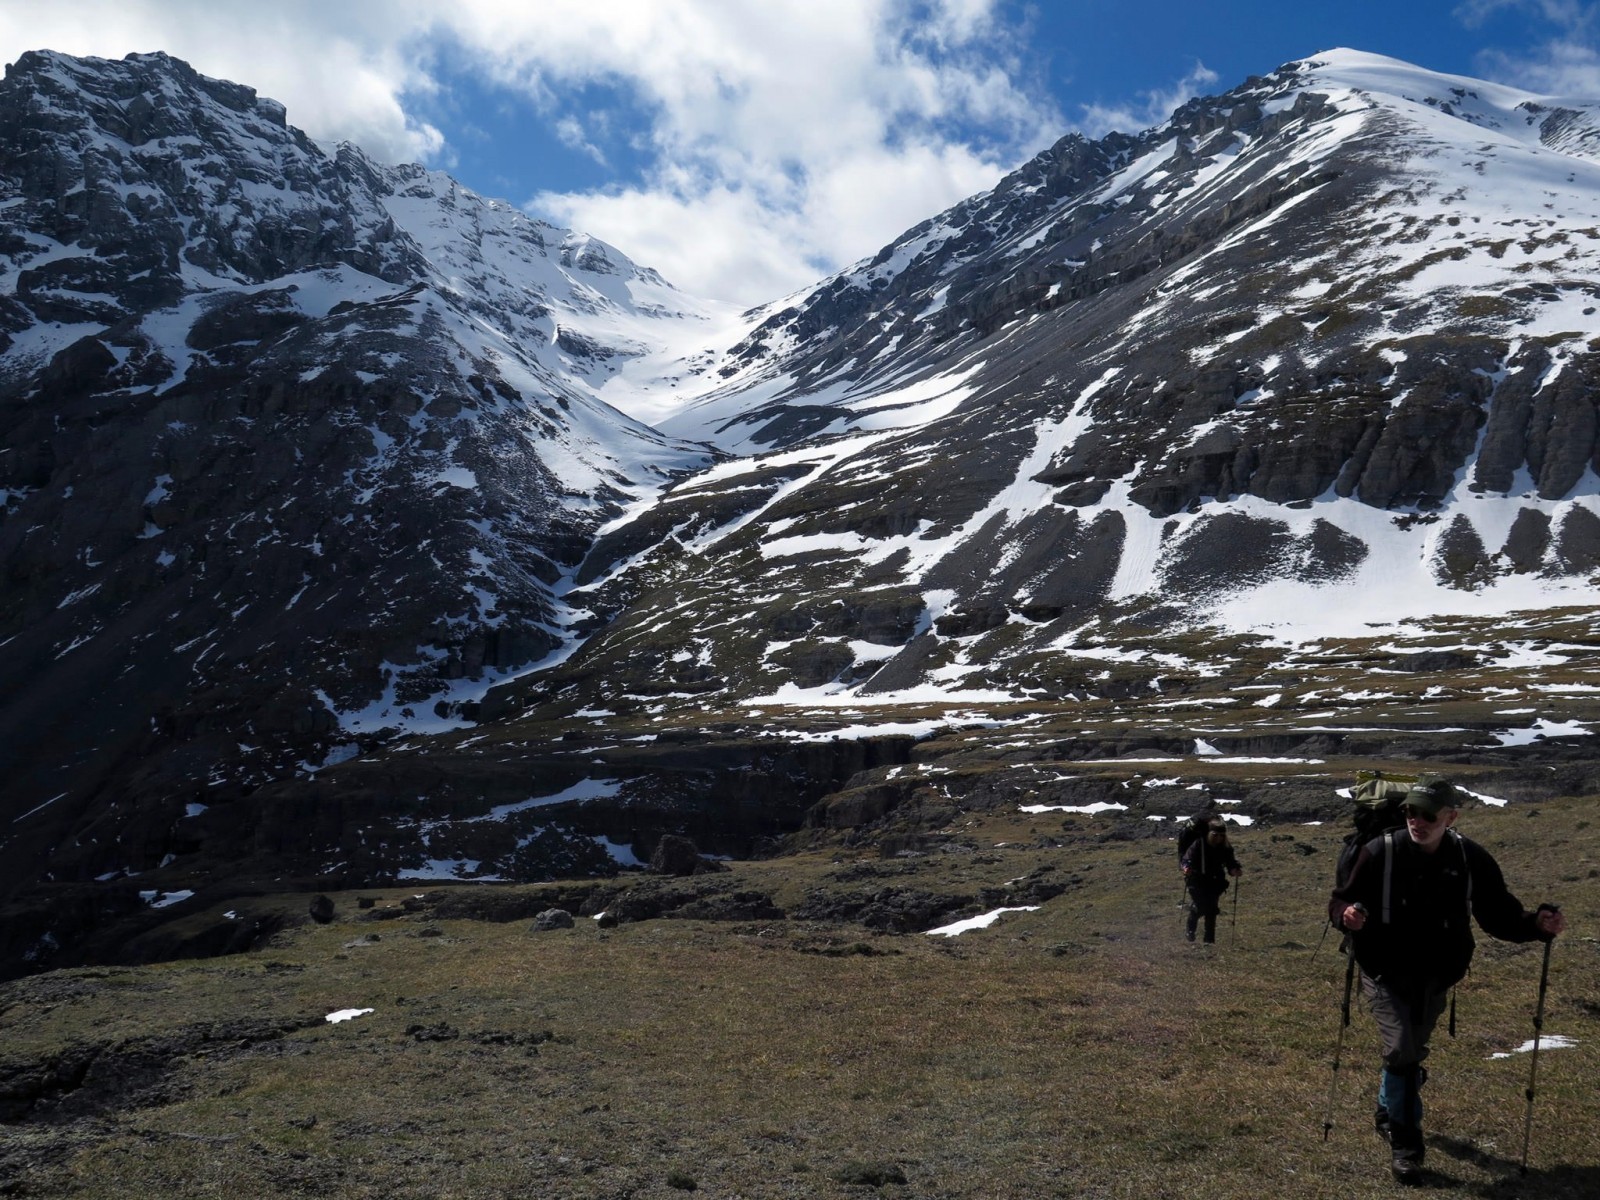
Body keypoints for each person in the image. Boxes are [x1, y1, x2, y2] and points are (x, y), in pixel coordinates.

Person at [1329, 774, 1566, 1184]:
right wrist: (1345, 916)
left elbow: (1499, 915)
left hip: (1438, 974)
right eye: (1409, 812)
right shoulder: (1378, 852)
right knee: (1403, 1048)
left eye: (1426, 815)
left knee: (1411, 1050)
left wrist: (1537, 925)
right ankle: (1407, 1149)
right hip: (1383, 969)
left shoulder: (1470, 858)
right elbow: (1340, 899)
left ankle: (1388, 1107)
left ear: (1451, 817)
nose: (1416, 821)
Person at [1181, 817, 1241, 943]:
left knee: (1212, 910)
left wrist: (1234, 869)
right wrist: (1187, 868)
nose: (1218, 838)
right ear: (1209, 833)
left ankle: (1209, 940)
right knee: (1202, 906)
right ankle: (1191, 929)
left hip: (1215, 882)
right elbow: (1187, 859)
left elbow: (1230, 862)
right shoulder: (1199, 843)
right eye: (1215, 835)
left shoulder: (1225, 847)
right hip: (1197, 880)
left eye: (1221, 835)